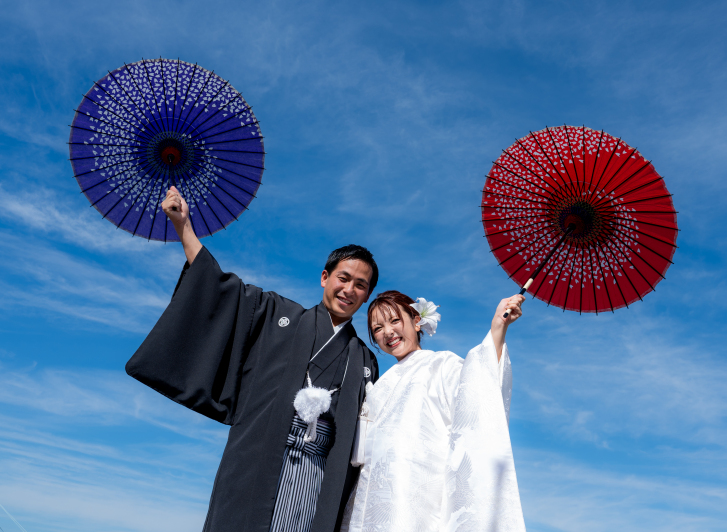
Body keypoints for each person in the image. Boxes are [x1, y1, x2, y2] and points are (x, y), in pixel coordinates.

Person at [126, 187, 380, 532]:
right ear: (325, 278)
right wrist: (183, 226)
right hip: (259, 457)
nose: (349, 290)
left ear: (366, 296)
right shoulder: (276, 314)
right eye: (343, 278)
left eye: (361, 285)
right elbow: (221, 289)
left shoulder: (363, 358)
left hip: (319, 474)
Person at [340, 291, 526, 531]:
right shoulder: (379, 386)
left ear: (417, 320)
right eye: (377, 328)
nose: (387, 332)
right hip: (369, 499)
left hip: (417, 498)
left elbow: (477, 391)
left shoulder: (442, 364)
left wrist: (498, 327)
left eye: (395, 321)